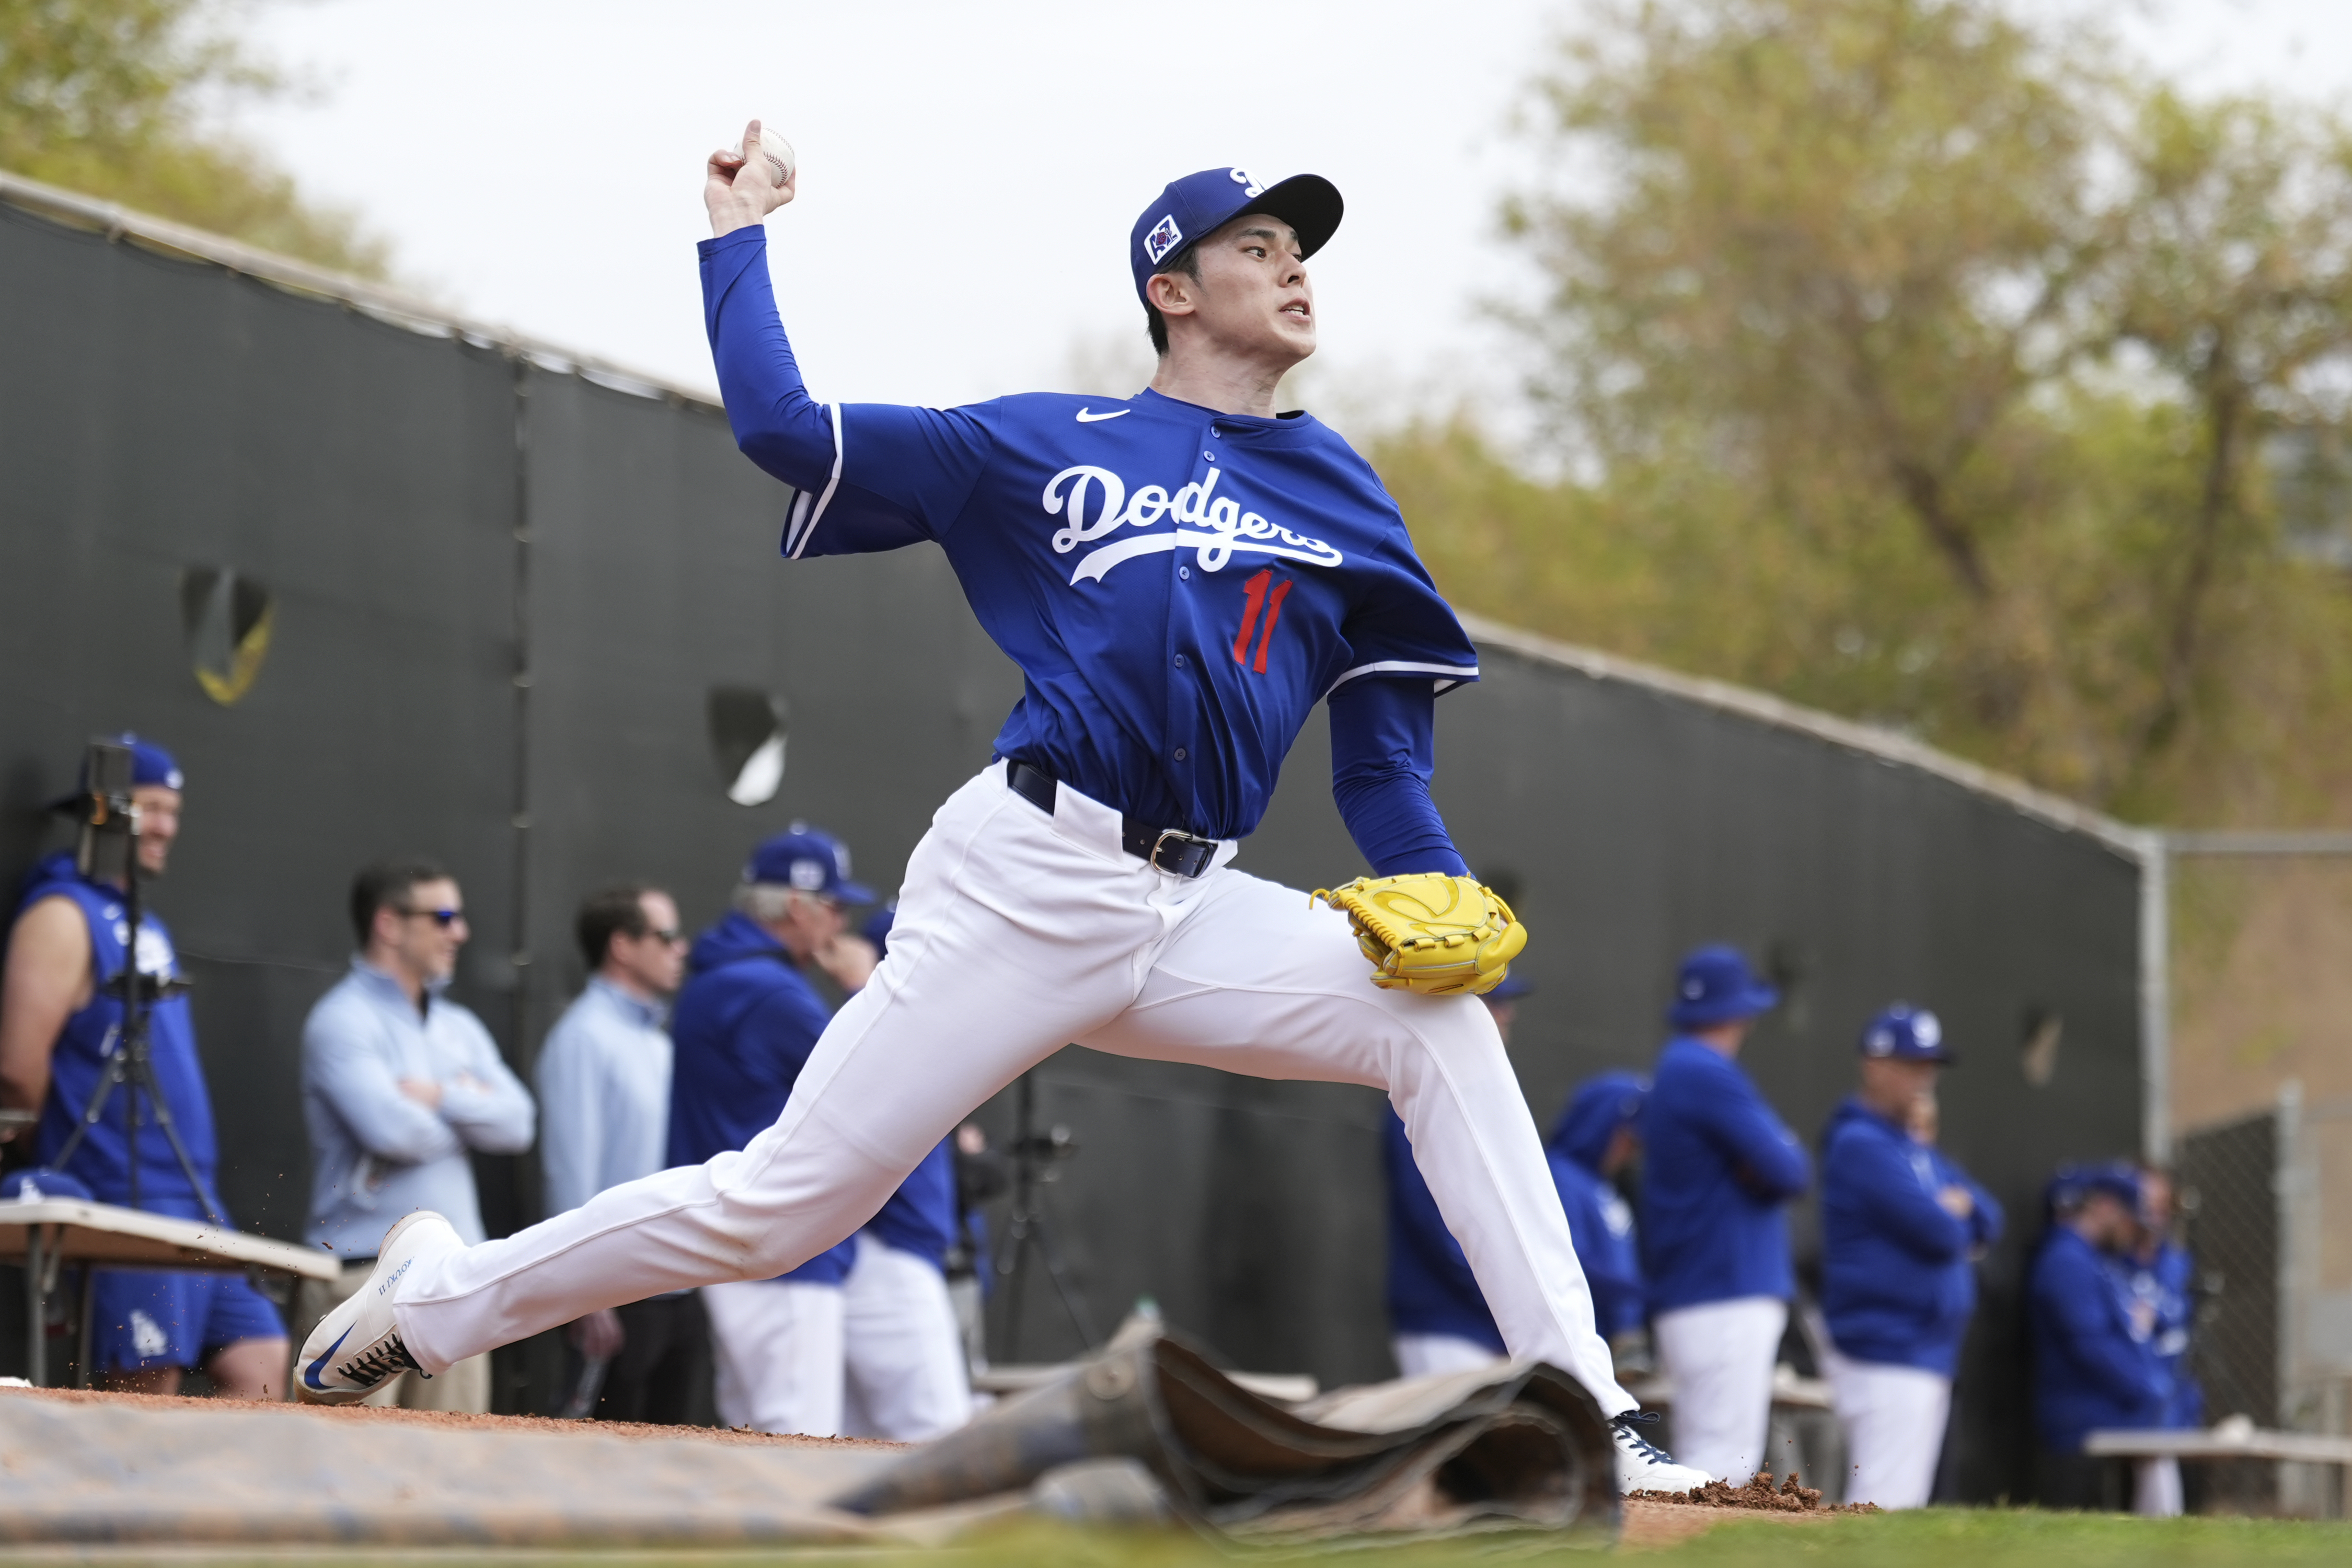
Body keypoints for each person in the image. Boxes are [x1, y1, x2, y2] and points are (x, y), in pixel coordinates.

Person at [294, 129, 1708, 1492]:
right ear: (1171, 289)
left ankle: (1578, 1404)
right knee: (783, 1206)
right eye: (1258, 244)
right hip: (1026, 877)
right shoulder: (1046, 441)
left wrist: (1441, 896)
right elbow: (784, 431)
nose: (1295, 270)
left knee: (1436, 1025)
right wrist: (736, 237)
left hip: (1194, 903)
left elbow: (1380, 770)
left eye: (1303, 250)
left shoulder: (1340, 489)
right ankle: (436, 1303)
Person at [0, 735, 287, 1397]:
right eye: (150, 808)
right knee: (144, 1385)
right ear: (103, 811)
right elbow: (19, 1069)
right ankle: (124, 1503)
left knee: (261, 1363)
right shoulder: (61, 913)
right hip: (119, 1193)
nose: (166, 827)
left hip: (193, 1196)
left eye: (174, 811)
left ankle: (205, 1504)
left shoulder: (145, 922)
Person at [296, 859, 535, 1413]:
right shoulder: (343, 1018)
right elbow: (394, 1133)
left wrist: (438, 1095)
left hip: (457, 1279)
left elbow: (519, 1123)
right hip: (361, 1274)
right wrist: (472, 1109)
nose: (460, 933)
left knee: (455, 1474)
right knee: (351, 1474)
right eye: (444, 916)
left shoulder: (460, 1026)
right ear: (389, 925)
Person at [1382, 980, 1650, 1378]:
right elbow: (1439, 1226)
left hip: (1493, 1330)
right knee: (1464, 1441)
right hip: (1450, 1324)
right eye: (1492, 1002)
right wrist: (1516, 1301)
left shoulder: (1479, 1092)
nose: (1508, 1013)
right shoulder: (1422, 1091)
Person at [1817, 1005, 2002, 1509]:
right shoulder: (1862, 1143)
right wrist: (1956, 1216)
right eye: (1911, 1066)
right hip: (1884, 1346)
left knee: (1901, 1509)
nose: (1925, 1079)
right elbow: (1942, 1232)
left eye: (1930, 1067)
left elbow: (1989, 1213)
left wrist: (1959, 1214)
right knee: (1880, 1507)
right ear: (1874, 1067)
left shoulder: (1911, 1147)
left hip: (1923, 1347)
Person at [535, 884, 705, 1425]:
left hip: (676, 1288)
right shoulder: (583, 1037)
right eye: (668, 936)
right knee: (600, 1464)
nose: (682, 949)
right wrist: (586, 1295)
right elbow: (570, 1171)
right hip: (619, 1294)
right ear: (623, 947)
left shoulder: (657, 1041)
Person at [1641, 944, 1809, 1483]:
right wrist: (1772, 1154)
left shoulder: (1680, 1067)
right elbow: (1789, 1169)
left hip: (1698, 1289)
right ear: (1740, 1014)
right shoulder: (1704, 1070)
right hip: (1724, 1287)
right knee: (1724, 1460)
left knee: (1706, 1452)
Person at [2027, 1163, 2172, 1510]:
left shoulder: (2097, 1262)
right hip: (2082, 1427)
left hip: (2112, 1424)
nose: (2132, 1234)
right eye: (2129, 1222)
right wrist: (2145, 1386)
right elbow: (2088, 1344)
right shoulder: (2066, 1259)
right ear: (2107, 1208)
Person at [2118, 1167, 2198, 1518]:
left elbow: (2176, 1313)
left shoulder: (2175, 1260)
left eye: (2162, 1204)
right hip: (2130, 1386)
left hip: (2169, 1385)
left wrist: (2158, 1315)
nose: (2154, 1213)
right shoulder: (2113, 1258)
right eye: (2146, 1202)